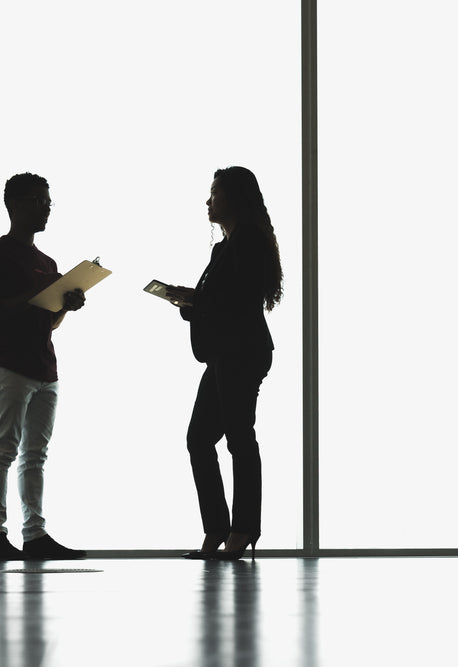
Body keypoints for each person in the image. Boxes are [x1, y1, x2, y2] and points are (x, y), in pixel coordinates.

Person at [166, 166, 283, 561]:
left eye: (214, 193)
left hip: (242, 351)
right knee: (200, 439)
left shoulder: (248, 241)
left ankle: (243, 528)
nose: (208, 201)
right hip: (223, 352)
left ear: (233, 198)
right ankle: (219, 528)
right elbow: (219, 302)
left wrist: (196, 301)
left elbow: (237, 301)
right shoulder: (224, 248)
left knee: (238, 439)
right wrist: (191, 301)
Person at [0, 172, 87, 561]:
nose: (47, 207)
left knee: (35, 454)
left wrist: (65, 307)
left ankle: (35, 535)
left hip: (45, 367)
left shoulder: (47, 262)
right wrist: (39, 294)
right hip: (10, 363)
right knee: (3, 448)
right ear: (15, 204)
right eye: (40, 200)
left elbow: (48, 321)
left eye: (48, 201)